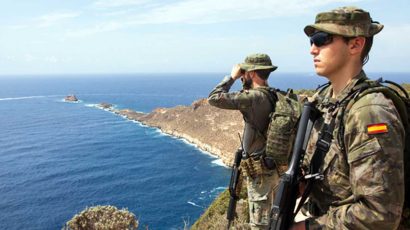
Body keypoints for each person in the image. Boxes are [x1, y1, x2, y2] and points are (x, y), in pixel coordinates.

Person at [292, 6, 405, 230]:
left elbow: (379, 214)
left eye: (322, 39)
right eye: (311, 42)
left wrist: (306, 228)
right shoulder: (324, 100)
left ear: (355, 44)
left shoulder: (369, 112)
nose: (313, 50)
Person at [208, 53, 278, 229]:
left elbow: (214, 98)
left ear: (252, 73)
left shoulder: (253, 98)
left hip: (260, 175)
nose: (242, 77)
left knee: (260, 225)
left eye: (244, 72)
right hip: (275, 170)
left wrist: (232, 77)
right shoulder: (274, 95)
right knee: (274, 219)